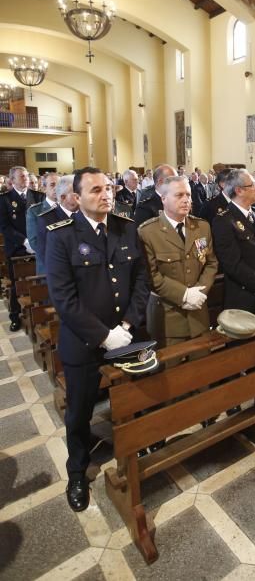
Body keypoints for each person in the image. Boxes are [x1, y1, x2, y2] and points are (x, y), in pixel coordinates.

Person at [45, 167, 149, 512]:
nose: (105, 195)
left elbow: (140, 283)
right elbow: (63, 298)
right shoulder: (61, 236)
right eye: (95, 190)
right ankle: (77, 470)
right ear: (76, 198)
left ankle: (138, 446)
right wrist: (105, 336)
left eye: (108, 188)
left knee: (136, 396)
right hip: (86, 342)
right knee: (80, 412)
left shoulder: (127, 228)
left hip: (128, 334)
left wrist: (128, 324)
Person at [138, 175, 218, 346]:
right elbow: (151, 276)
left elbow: (211, 263)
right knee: (171, 371)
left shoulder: (201, 226)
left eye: (188, 195)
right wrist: (184, 295)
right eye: (179, 195)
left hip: (198, 314)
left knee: (203, 366)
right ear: (163, 198)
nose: (186, 200)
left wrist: (199, 292)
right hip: (168, 318)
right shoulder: (148, 232)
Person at [212, 169, 255, 318]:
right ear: (239, 190)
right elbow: (233, 264)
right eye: (253, 184)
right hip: (244, 298)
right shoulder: (224, 220)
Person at [0, 166, 43, 331]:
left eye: (26, 176)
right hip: (17, 248)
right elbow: (5, 227)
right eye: (21, 176)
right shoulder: (4, 199)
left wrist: (35, 242)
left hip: (37, 247)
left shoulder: (38, 196)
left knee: (39, 283)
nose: (25, 178)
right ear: (12, 180)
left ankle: (38, 315)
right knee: (17, 284)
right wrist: (25, 241)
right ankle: (15, 316)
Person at [36, 175, 79, 269]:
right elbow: (44, 253)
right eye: (76, 193)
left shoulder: (86, 214)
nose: (80, 196)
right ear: (63, 197)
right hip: (61, 273)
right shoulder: (47, 219)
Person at [26, 173, 60, 274]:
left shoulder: (70, 207)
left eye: (59, 185)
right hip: (48, 265)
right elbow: (35, 242)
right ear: (44, 188)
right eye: (52, 185)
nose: (57, 188)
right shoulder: (35, 211)